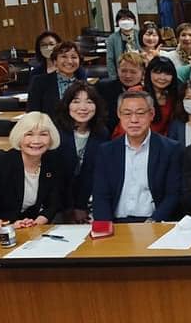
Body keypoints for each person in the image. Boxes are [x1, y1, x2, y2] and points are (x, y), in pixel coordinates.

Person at [0, 112, 64, 313]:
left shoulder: (52, 163)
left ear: (51, 138)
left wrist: (38, 221)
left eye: (43, 134)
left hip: (22, 227)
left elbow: (54, 202)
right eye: (29, 134)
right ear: (19, 137)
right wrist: (6, 226)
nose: (36, 141)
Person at [92, 90, 183, 222]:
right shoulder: (106, 151)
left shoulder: (170, 149)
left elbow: (173, 194)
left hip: (155, 222)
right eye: (127, 114)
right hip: (117, 224)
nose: (134, 120)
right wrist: (106, 228)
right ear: (119, 114)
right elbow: (101, 196)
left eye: (140, 113)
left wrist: (154, 222)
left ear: (151, 114)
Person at [53, 81, 108, 223]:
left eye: (89, 102)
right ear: (67, 105)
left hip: (87, 202)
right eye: (76, 101)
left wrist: (81, 206)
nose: (83, 108)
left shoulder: (101, 133)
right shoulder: (55, 132)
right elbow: (56, 177)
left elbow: (94, 174)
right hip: (56, 203)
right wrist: (70, 209)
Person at [27, 41, 82, 116]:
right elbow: (32, 113)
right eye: (64, 56)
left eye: (74, 57)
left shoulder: (84, 84)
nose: (69, 61)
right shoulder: (39, 82)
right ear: (55, 61)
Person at [97, 51, 145, 134]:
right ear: (117, 70)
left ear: (142, 73)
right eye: (123, 71)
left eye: (133, 72)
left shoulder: (147, 92)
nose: (128, 76)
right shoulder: (102, 87)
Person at [106, 9, 139, 78]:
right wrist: (113, 77)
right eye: (123, 19)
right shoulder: (112, 38)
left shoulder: (140, 35)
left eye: (129, 19)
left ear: (134, 21)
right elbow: (110, 60)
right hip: (121, 74)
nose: (126, 22)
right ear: (118, 22)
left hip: (138, 71)